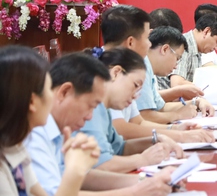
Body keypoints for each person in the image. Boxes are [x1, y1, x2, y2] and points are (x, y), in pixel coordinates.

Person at [25, 52, 175, 196]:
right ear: (64, 92)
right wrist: (134, 190)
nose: (90, 116)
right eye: (90, 105)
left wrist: (144, 181)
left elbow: (83, 177)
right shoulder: (35, 134)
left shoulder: (57, 132)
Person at [101, 5, 212, 144]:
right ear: (131, 42)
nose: (150, 44)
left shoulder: (130, 67)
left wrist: (174, 130)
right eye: (147, 38)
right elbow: (122, 128)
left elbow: (138, 122)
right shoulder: (105, 74)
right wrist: (177, 134)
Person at [1, 46, 98, 196]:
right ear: (32, 102)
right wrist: (75, 171)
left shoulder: (14, 147)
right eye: (49, 89)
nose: (53, 97)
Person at [80, 48, 184, 173]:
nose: (135, 96)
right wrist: (142, 160)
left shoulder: (105, 110)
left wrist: (156, 139)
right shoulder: (91, 108)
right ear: (116, 73)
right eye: (135, 85)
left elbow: (120, 148)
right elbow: (101, 163)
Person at [138, 26, 216, 124]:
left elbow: (161, 107)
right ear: (165, 49)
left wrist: (196, 102)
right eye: (177, 58)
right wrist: (178, 115)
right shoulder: (140, 68)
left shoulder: (148, 69)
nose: (176, 66)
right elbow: (145, 116)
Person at [163, 13, 217, 87]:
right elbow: (177, 84)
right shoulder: (183, 45)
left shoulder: (197, 49)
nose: (216, 48)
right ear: (206, 32)